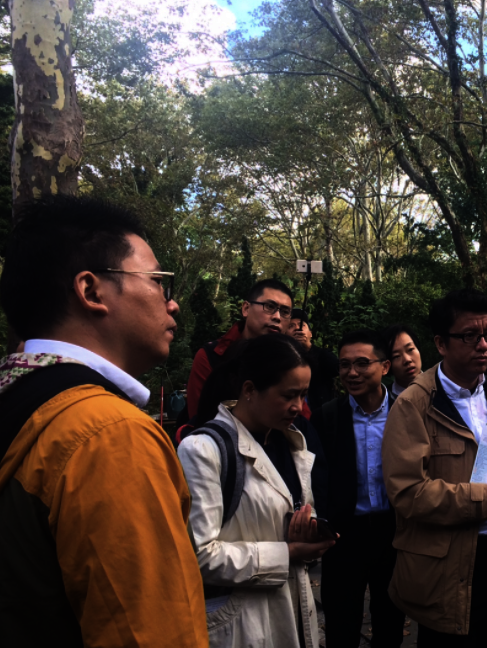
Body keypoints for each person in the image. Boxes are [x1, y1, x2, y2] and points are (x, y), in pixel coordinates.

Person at [0, 196, 208, 646]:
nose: (172, 305)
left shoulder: (19, 398)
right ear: (92, 291)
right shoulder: (109, 435)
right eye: (158, 282)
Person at [382, 288, 487, 647]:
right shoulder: (414, 404)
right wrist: (482, 500)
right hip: (448, 565)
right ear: (441, 343)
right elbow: (407, 492)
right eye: (470, 336)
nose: (484, 346)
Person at [179, 333, 333, 648]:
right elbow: (199, 556)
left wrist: (308, 532)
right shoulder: (204, 450)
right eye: (288, 395)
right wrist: (287, 553)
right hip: (238, 624)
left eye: (303, 395)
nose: (298, 407)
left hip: (291, 609)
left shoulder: (290, 442)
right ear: (249, 390)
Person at [309, 329, 405, 648]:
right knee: (341, 622)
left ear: (385, 366)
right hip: (344, 534)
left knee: (390, 619)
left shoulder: (406, 412)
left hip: (393, 531)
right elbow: (317, 477)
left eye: (362, 363)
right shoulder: (327, 417)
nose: (352, 373)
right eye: (345, 364)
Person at [185, 278, 295, 419]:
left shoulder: (290, 362)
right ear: (246, 309)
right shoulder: (212, 357)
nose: (277, 317)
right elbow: (199, 418)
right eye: (269, 307)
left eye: (285, 312)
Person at [290, 309, 340, 409]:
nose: (297, 328)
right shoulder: (281, 358)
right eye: (291, 326)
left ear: (310, 334)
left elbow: (336, 368)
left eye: (301, 325)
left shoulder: (322, 355)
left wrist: (308, 347)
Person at [384, 323, 424, 395]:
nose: (407, 360)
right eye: (396, 356)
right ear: (387, 365)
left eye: (410, 349)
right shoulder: (385, 398)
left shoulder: (440, 384)